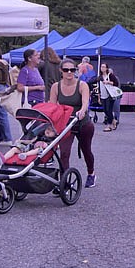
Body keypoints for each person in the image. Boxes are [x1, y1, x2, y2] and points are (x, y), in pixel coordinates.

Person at [49, 58, 96, 188]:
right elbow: (52, 106)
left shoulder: (82, 85)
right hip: (66, 124)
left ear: (76, 70)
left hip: (82, 123)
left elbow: (85, 101)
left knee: (86, 150)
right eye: (66, 70)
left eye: (72, 70)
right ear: (61, 71)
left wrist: (82, 110)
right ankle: (64, 181)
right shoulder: (56, 87)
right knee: (64, 153)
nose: (69, 72)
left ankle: (91, 174)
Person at [97, 63, 119, 132]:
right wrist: (99, 96)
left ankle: (109, 126)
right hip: (103, 95)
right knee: (105, 110)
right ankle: (113, 120)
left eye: (104, 67)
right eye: (101, 67)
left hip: (109, 95)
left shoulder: (110, 75)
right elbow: (99, 87)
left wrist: (108, 82)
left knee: (109, 110)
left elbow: (116, 83)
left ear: (106, 68)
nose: (102, 68)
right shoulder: (100, 77)